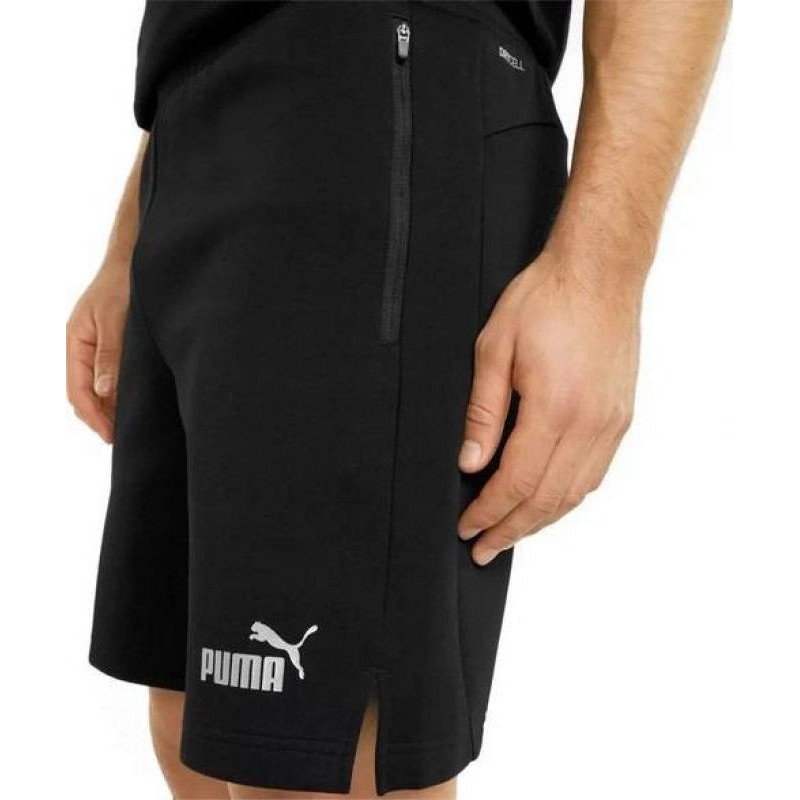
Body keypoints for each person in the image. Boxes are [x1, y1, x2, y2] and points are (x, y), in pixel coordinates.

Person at [67, 2, 729, 798]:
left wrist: (601, 279)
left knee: (316, 752)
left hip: (382, 96)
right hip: (200, 126)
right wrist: (134, 230)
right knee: (199, 719)